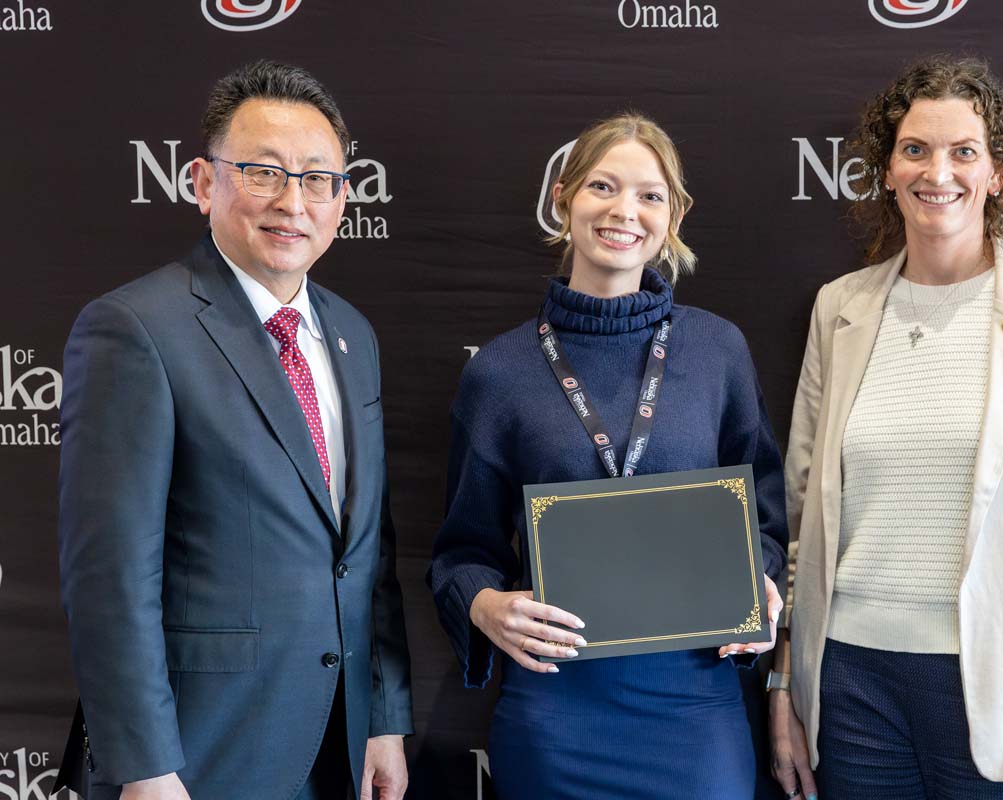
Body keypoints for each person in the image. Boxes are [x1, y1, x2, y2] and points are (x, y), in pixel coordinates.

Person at [768, 55, 1003, 800]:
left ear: (997, 174)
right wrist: (784, 685)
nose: (937, 171)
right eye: (915, 149)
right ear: (886, 170)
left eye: (963, 151)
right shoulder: (838, 308)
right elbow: (802, 516)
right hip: (849, 687)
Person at [55, 61, 412, 800]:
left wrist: (383, 717)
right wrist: (145, 768)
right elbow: (109, 578)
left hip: (336, 746)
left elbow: (369, 554)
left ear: (344, 195)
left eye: (318, 178)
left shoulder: (353, 333)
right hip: (197, 754)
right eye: (262, 172)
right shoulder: (135, 330)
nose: (293, 201)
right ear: (202, 182)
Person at [428, 113, 787, 800]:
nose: (625, 210)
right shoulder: (500, 372)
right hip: (556, 709)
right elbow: (463, 548)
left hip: (695, 703)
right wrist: (483, 607)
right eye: (603, 186)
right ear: (563, 197)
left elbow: (765, 523)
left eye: (650, 195)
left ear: (675, 213)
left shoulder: (718, 352)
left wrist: (763, 583)